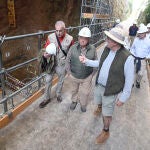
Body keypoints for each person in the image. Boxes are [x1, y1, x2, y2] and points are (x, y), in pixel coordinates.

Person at [79, 27, 134, 143]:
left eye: (108, 39)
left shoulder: (127, 58)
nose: (106, 40)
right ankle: (99, 107)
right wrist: (87, 61)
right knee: (98, 101)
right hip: (99, 85)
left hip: (111, 90)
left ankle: (106, 131)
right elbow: (100, 63)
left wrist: (123, 97)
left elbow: (129, 81)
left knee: (107, 114)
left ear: (115, 42)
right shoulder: (107, 49)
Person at [39, 21, 74, 108]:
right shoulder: (50, 37)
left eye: (60, 31)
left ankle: (58, 94)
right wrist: (45, 54)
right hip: (51, 63)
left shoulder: (70, 39)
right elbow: (45, 49)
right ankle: (46, 98)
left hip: (62, 64)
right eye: (56, 30)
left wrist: (70, 66)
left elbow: (71, 53)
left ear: (64, 30)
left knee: (61, 80)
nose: (58, 33)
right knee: (48, 80)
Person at [65, 27, 97, 112]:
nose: (82, 40)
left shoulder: (93, 49)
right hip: (74, 75)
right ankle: (74, 101)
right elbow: (67, 60)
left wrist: (92, 75)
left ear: (88, 39)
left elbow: (96, 62)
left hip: (87, 77)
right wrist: (69, 73)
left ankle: (83, 103)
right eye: (81, 37)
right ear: (78, 38)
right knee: (74, 90)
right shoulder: (73, 48)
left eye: (85, 38)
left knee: (85, 93)